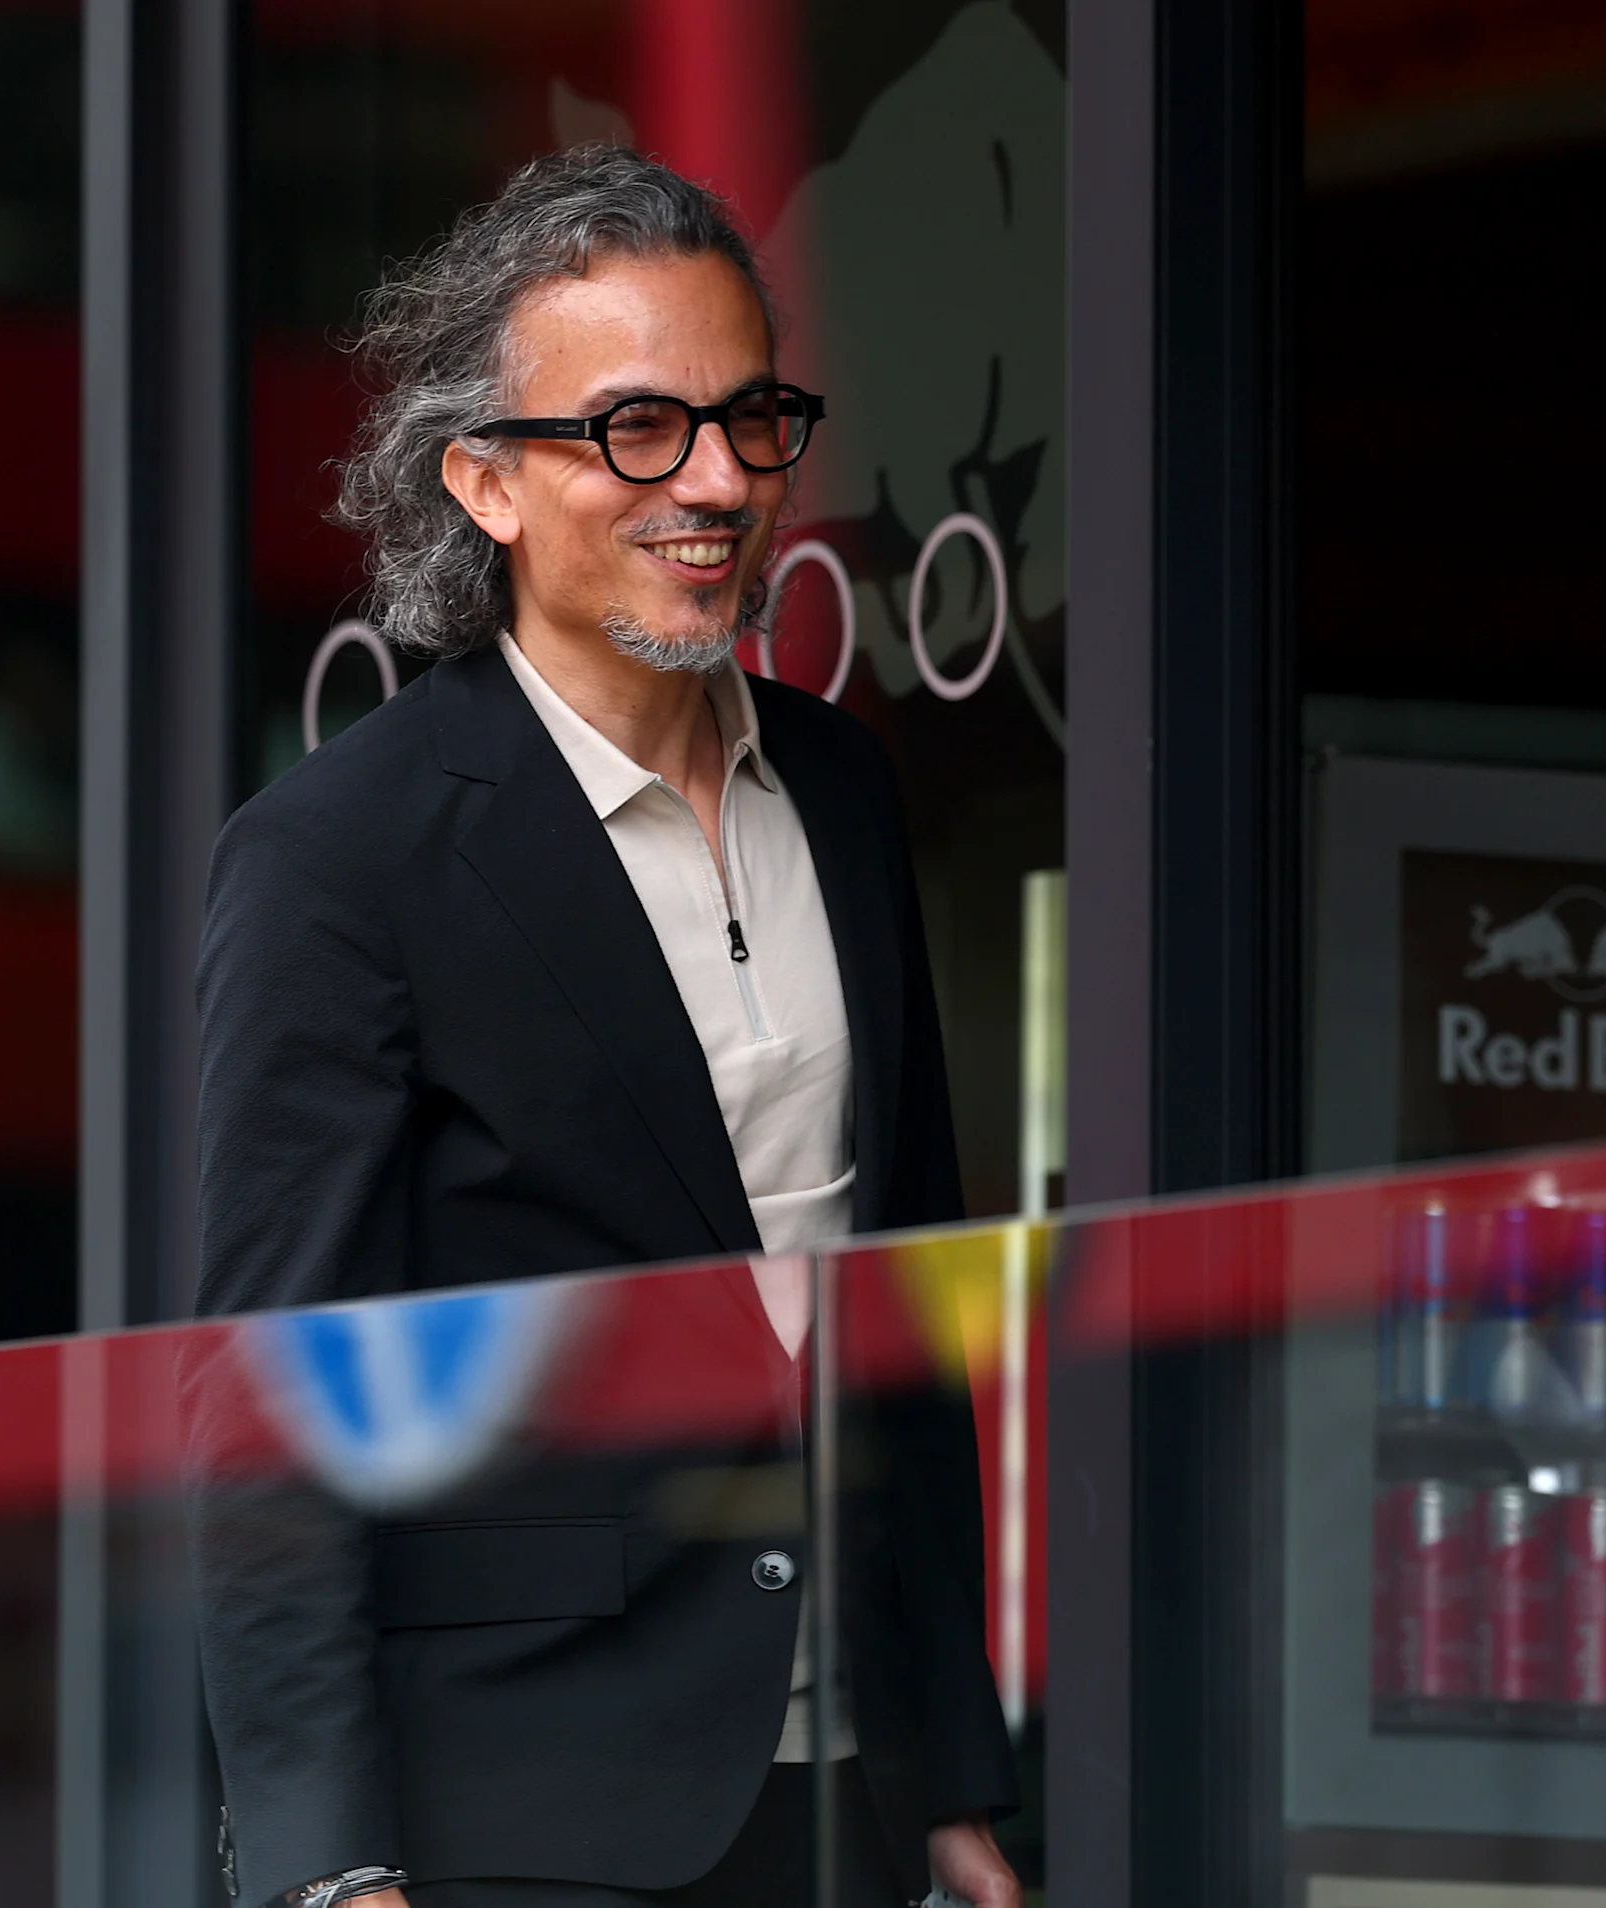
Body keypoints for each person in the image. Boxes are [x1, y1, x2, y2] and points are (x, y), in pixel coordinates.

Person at [191, 146, 1020, 1908]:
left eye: (753, 419)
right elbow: (272, 1407)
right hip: (522, 1814)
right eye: (638, 429)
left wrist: (954, 1765)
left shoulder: (850, 796)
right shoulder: (343, 858)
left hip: (844, 1796)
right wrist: (328, 1870)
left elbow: (907, 1293)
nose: (716, 480)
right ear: (484, 482)